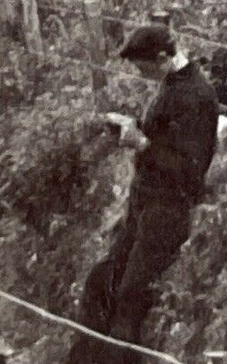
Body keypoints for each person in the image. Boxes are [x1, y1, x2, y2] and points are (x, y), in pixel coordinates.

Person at [68, 22, 219, 364]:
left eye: (143, 67)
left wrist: (143, 143)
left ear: (164, 57)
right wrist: (133, 126)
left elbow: (191, 171)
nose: (141, 73)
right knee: (98, 282)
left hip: (169, 210)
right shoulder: (173, 84)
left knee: (129, 296)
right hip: (145, 206)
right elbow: (166, 140)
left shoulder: (196, 96)